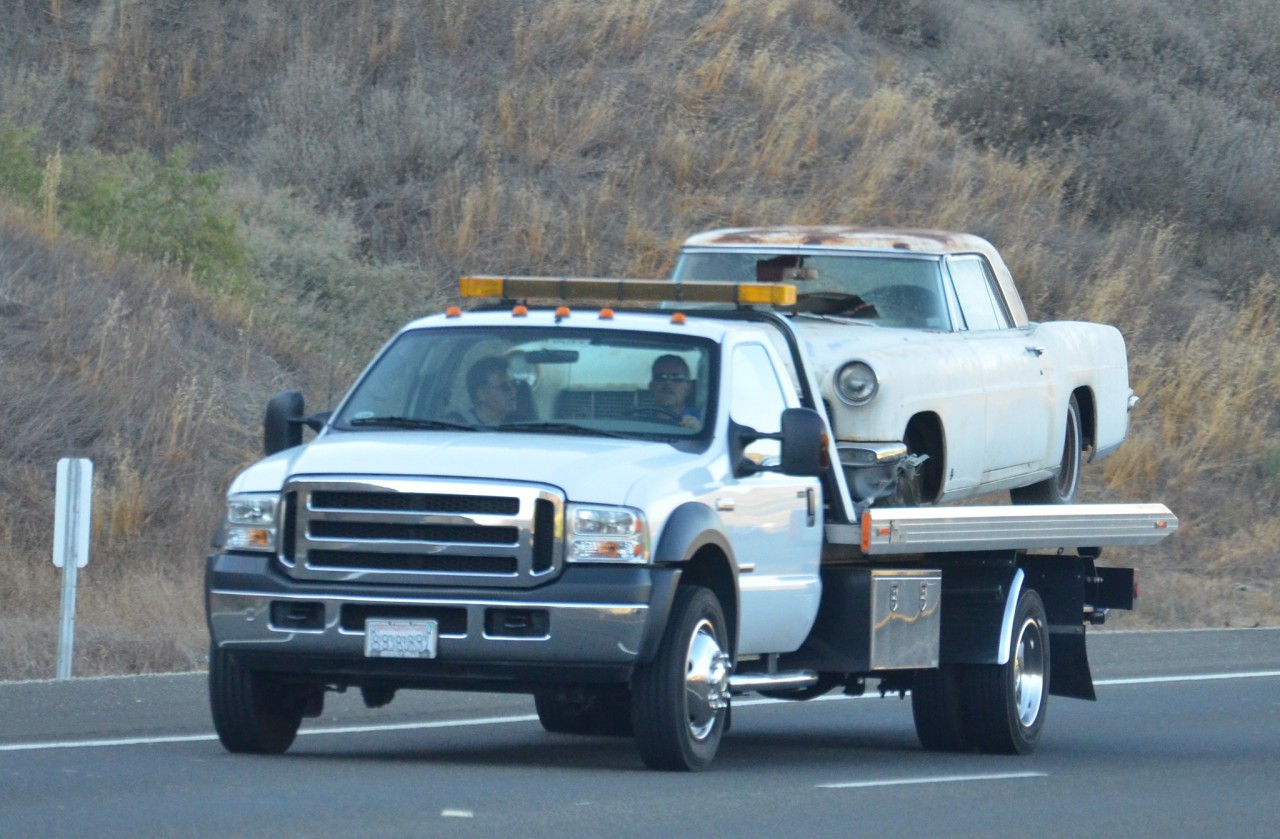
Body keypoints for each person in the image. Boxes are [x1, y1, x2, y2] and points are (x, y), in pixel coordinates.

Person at [456, 356, 518, 425]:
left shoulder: (521, 426)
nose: (513, 391)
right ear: (481, 394)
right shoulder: (454, 427)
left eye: (514, 385)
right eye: (504, 387)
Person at [647, 354, 702, 429]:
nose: (668, 383)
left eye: (677, 378)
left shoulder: (703, 420)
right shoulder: (639, 418)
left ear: (689, 388)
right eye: (661, 378)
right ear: (651, 387)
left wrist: (697, 429)